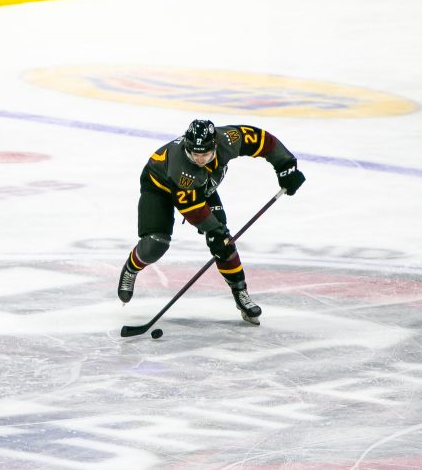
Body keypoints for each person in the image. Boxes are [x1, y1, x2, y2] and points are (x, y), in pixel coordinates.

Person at [117, 119, 306, 324]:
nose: (199, 159)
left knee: (223, 243)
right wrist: (214, 231)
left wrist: (285, 165)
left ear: (215, 145)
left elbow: (262, 140)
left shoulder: (228, 139)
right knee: (156, 243)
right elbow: (193, 209)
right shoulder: (183, 169)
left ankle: (240, 293)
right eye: (194, 154)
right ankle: (131, 268)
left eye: (205, 154)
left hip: (202, 186)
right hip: (159, 186)